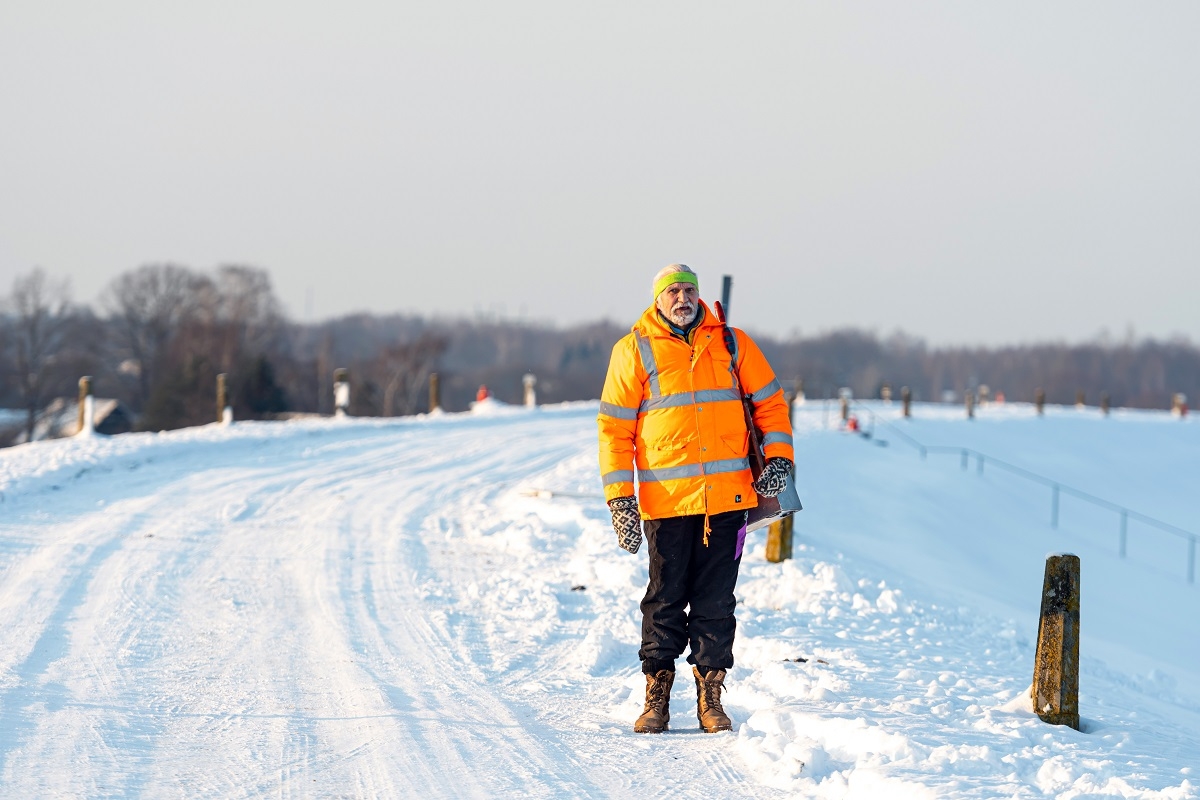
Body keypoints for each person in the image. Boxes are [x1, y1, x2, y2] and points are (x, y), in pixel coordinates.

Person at [597, 264, 794, 734]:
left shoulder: (732, 342)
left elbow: (771, 404)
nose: (682, 298)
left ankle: (710, 694)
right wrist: (620, 500)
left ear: (698, 296)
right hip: (666, 505)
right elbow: (614, 430)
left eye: (689, 290)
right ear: (658, 300)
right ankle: (657, 695)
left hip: (728, 501)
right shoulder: (633, 350)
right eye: (673, 292)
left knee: (716, 600)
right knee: (664, 600)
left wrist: (780, 458)